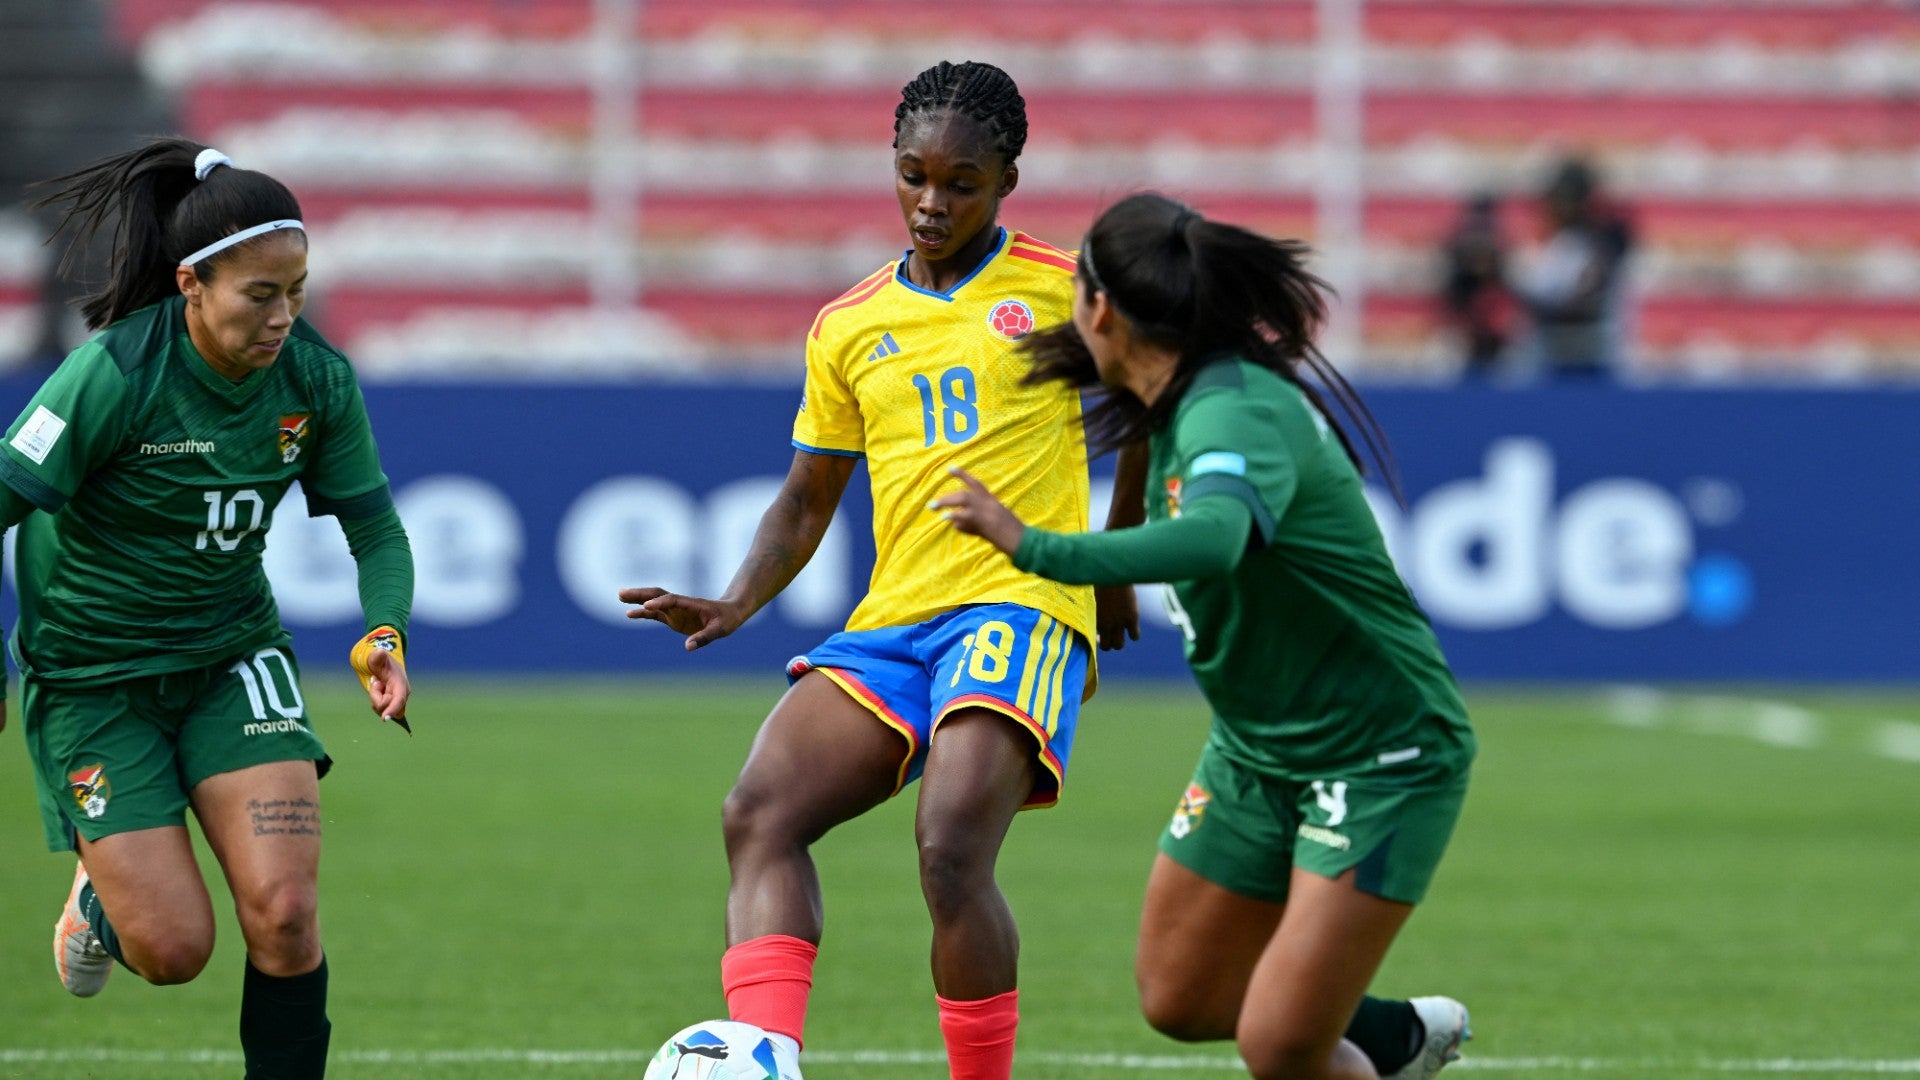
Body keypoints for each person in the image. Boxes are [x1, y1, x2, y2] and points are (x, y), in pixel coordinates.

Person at [618, 60, 1141, 1080]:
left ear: (1008, 182)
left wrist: (1111, 565)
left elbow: (1151, 410)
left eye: (961, 182)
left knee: (949, 851)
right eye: (913, 176)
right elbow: (808, 497)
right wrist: (736, 599)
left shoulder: (1063, 288)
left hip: (1018, 604)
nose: (932, 203)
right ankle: (763, 1060)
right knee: (758, 814)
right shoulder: (849, 323)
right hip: (897, 619)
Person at [932, 192, 1478, 1080]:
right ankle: (1388, 1038)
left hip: (1377, 755)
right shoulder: (1171, 391)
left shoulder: (1232, 410)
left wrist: (1040, 548)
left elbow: (1220, 536)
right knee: (1180, 997)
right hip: (1259, 751)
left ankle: (1335, 1033)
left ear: (1100, 307)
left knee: (1278, 1045)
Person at [3, 138, 414, 1079]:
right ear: (192, 283)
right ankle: (105, 893)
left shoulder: (314, 379)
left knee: (285, 914)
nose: (282, 317)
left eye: (297, 291)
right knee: (173, 953)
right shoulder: (114, 373)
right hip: (95, 679)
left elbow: (376, 529)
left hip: (232, 657)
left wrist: (384, 629)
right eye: (258, 295)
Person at [1509, 156, 1635, 379]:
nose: (1558, 207)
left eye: (1567, 199)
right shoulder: (1555, 242)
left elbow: (1583, 298)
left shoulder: (1604, 241)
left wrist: (1539, 299)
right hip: (1549, 353)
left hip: (1593, 352)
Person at [1437, 192, 1515, 378]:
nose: (1479, 259)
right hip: (1465, 350)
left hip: (1496, 353)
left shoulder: (1501, 290)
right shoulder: (1458, 289)